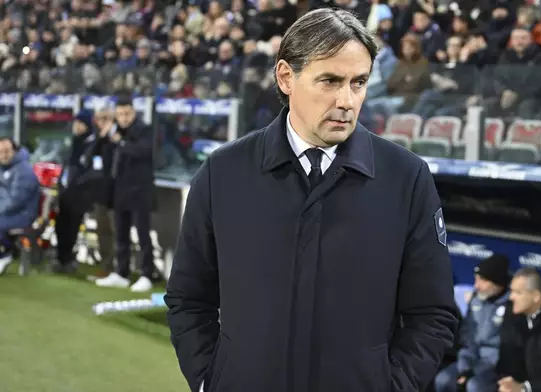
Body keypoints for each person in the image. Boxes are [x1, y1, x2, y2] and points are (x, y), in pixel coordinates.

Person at [165, 8, 459, 392]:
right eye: (330, 81)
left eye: (359, 82)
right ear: (286, 77)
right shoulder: (223, 172)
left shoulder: (406, 178)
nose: (347, 100)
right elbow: (188, 298)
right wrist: (210, 380)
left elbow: (432, 314)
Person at [95, 96, 155, 292]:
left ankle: (147, 274)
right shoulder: (115, 132)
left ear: (134, 112)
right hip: (120, 190)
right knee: (120, 234)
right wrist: (103, 137)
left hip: (140, 190)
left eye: (127, 113)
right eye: (120, 114)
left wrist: (120, 143)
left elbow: (143, 152)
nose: (124, 118)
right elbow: (99, 153)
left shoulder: (144, 130)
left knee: (142, 234)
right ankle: (122, 272)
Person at [435, 254, 511, 392]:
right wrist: (465, 368)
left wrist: (473, 371)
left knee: (474, 386)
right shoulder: (477, 299)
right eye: (476, 279)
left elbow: (506, 349)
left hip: (497, 366)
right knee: (443, 380)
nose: (476, 285)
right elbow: (467, 338)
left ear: (497, 282)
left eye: (482, 281)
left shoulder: (512, 305)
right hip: (471, 359)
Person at [54, 108, 115, 273]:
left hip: (81, 193)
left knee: (73, 226)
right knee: (61, 225)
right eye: (76, 122)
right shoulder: (76, 141)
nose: (77, 126)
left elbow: (92, 168)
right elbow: (69, 164)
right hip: (67, 190)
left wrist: (77, 184)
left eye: (80, 123)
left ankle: (66, 260)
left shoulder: (94, 142)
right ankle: (61, 258)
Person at [0, 137, 40, 274]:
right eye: (0, 152)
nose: (3, 155)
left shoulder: (23, 170)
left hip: (23, 214)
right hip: (7, 213)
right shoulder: (3, 168)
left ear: (15, 151)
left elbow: (16, 200)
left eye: (6, 151)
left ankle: (6, 254)